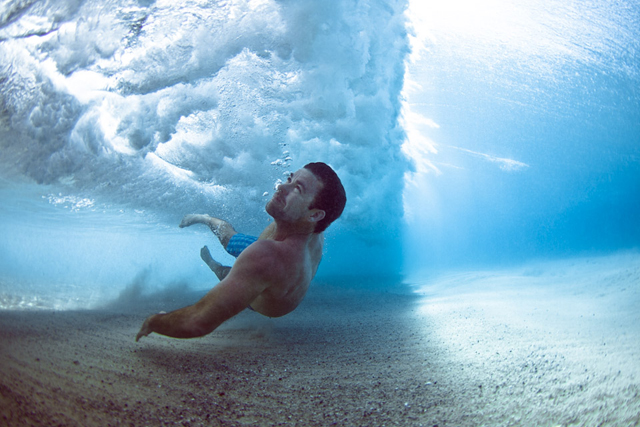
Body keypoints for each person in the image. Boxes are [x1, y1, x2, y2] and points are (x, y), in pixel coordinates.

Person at [136, 162, 346, 341]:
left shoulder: (268, 258)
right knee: (231, 240)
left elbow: (196, 322)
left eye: (297, 188)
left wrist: (155, 321)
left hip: (264, 291)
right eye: (289, 179)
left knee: (225, 271)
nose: (282, 186)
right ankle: (206, 218)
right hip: (275, 261)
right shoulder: (315, 228)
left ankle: (212, 263)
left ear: (315, 214)